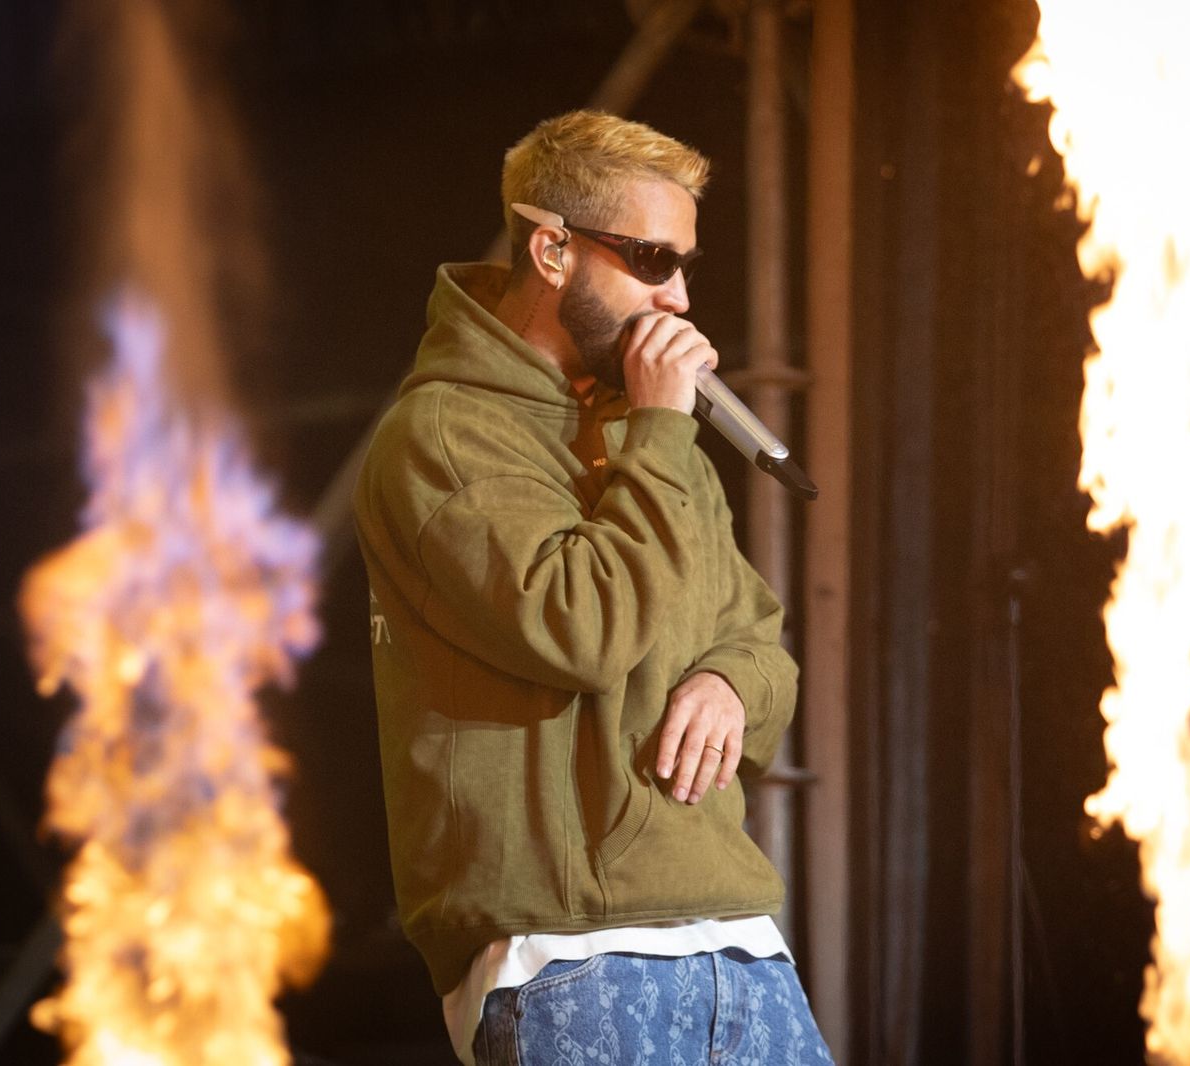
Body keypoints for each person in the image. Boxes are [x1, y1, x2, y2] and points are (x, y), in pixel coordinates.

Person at [352, 109, 833, 1064]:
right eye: (654, 260)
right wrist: (659, 431)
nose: (681, 300)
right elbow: (578, 628)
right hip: (570, 953)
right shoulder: (445, 435)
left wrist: (731, 682)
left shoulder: (651, 434)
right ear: (553, 249)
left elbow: (762, 640)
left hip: (740, 942)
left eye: (686, 264)